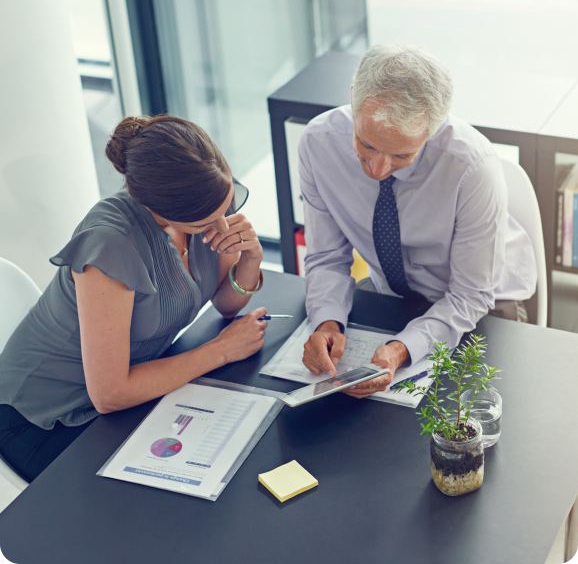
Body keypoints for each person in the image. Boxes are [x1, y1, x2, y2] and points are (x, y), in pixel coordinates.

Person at [0, 115, 268, 482]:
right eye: (207, 223)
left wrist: (251, 257)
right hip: (43, 419)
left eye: (227, 208)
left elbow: (225, 304)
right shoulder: (111, 244)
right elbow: (110, 394)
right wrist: (221, 351)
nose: (222, 226)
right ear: (165, 212)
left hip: (130, 394)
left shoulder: (203, 205)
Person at [299, 43, 537, 399]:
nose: (377, 170)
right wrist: (326, 322)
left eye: (401, 155)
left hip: (484, 309)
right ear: (353, 98)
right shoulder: (318, 144)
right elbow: (327, 258)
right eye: (365, 144)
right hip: (392, 295)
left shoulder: (473, 168)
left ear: (434, 128)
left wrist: (402, 349)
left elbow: (471, 294)